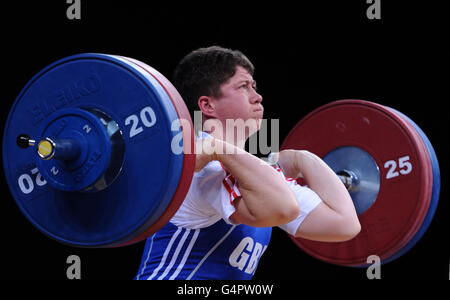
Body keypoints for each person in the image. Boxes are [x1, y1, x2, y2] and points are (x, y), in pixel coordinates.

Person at [134, 46, 360, 280]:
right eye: (243, 86)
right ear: (207, 105)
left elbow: (344, 225)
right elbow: (283, 208)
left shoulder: (245, 170)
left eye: (254, 86)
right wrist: (219, 149)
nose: (257, 96)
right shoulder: (206, 167)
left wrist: (302, 158)